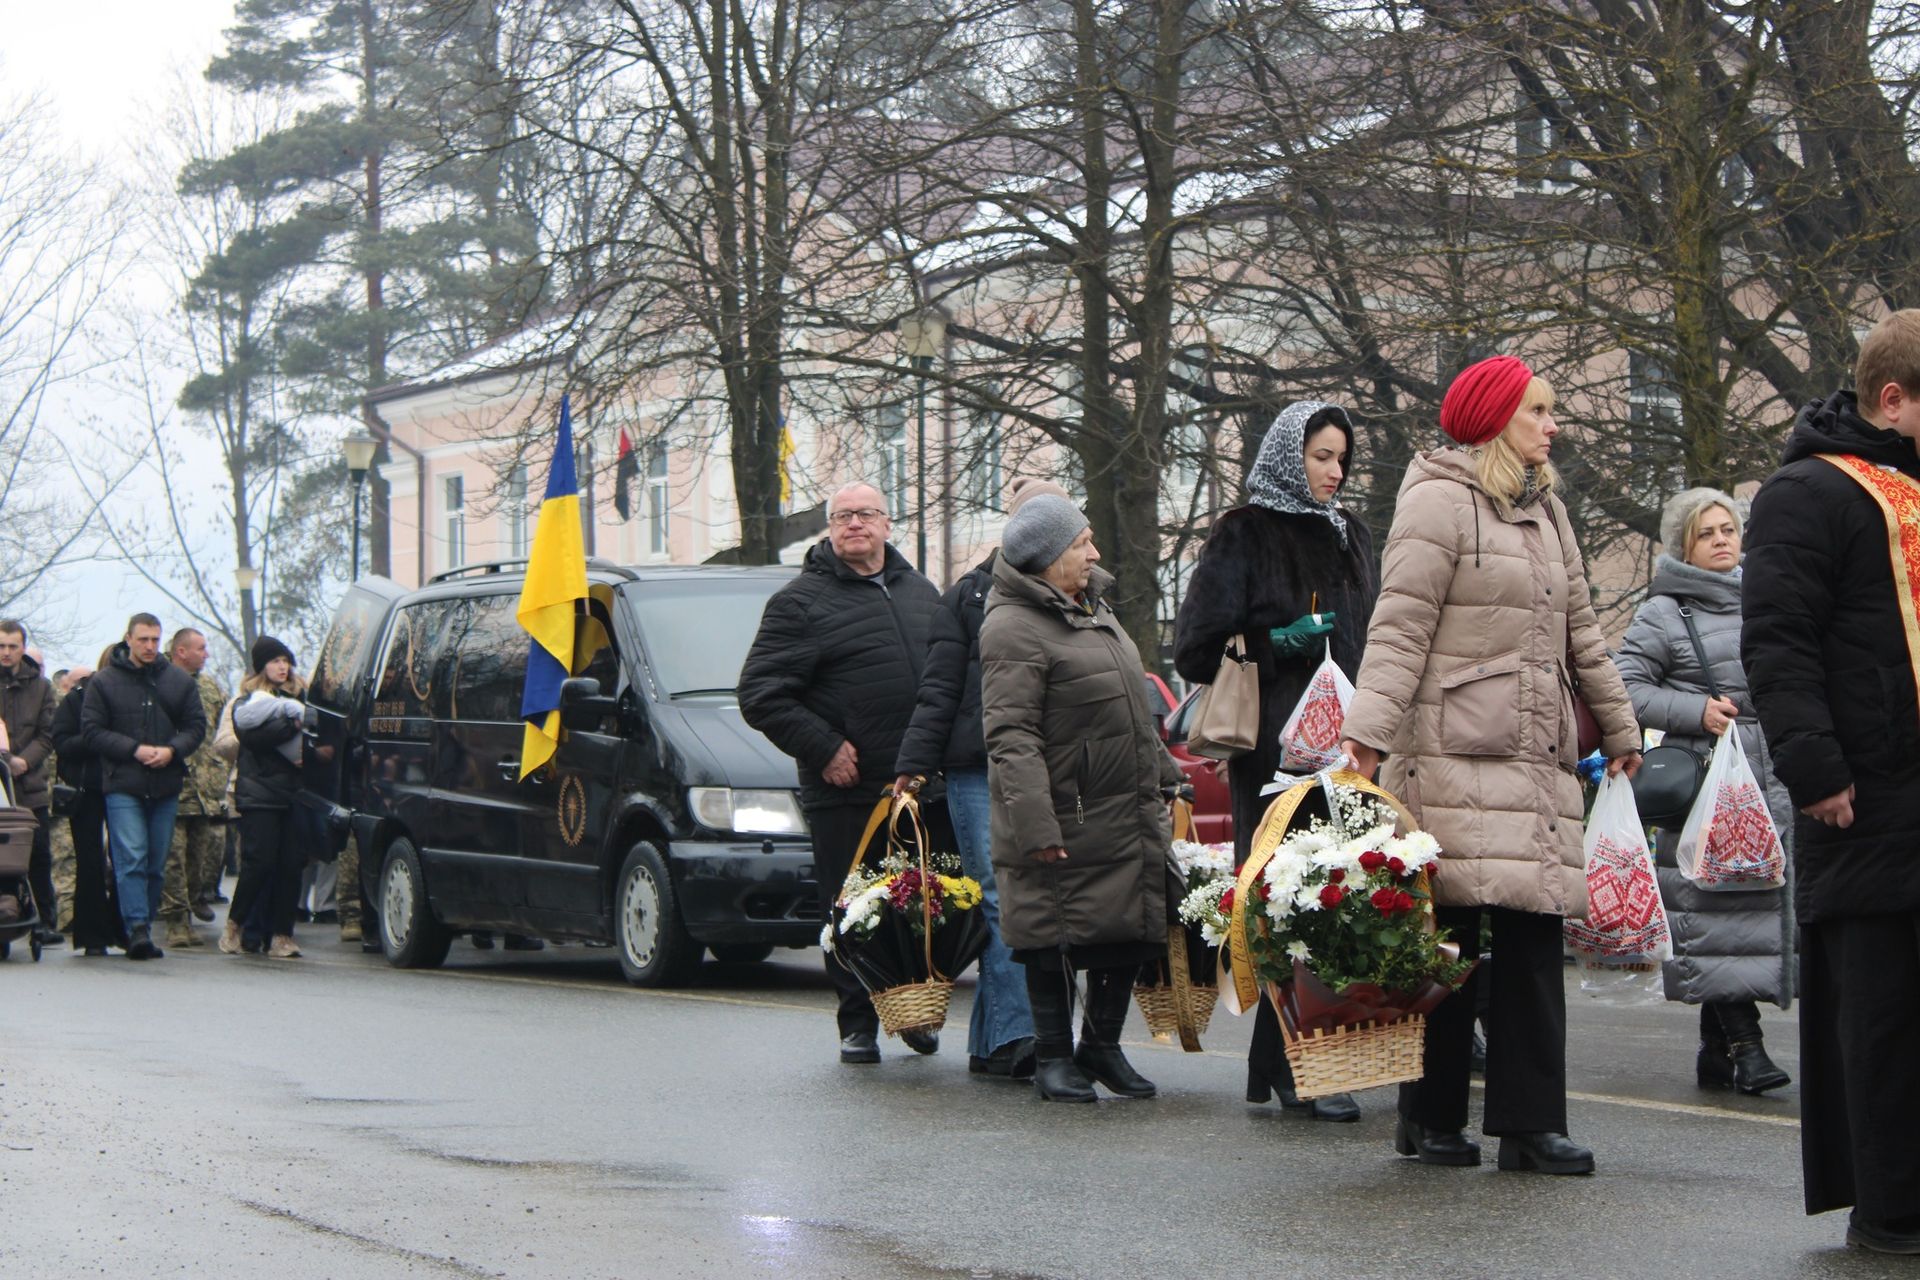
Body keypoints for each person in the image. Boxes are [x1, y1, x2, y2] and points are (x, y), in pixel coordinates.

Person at [1338, 355, 1641, 1174]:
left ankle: (1531, 1125)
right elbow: (1399, 628)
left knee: (1535, 938)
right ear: (1496, 418)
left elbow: (1583, 626)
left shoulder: (1549, 510)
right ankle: (1430, 1119)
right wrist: (1366, 736)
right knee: (1451, 944)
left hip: (1536, 758)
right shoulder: (1437, 501)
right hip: (1451, 754)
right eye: (1540, 410)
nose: (1554, 425)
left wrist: (1620, 728)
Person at [1742, 308, 1920, 1254]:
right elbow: (1778, 640)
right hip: (1862, 788)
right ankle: (1889, 1210)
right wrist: (1813, 768)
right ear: (1892, 400)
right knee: (1880, 1016)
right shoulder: (1805, 493)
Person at [1174, 401, 1380, 1123]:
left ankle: (1303, 1055)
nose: (1335, 472)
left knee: (1344, 896)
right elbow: (1194, 646)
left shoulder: (1351, 533)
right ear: (1291, 457)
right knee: (1288, 899)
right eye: (1322, 457)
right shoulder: (1246, 532)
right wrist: (1277, 642)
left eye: (1343, 459)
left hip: (1347, 746)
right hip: (1272, 752)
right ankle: (1302, 1063)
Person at [980, 495, 1184, 1103]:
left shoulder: (1096, 609)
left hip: (1121, 806)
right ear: (1046, 558)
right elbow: (1011, 735)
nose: (1094, 554)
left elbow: (1130, 710)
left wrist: (1167, 771)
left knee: (1129, 929)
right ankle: (1052, 1057)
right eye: (1081, 544)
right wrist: (1035, 826)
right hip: (1065, 813)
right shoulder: (1011, 625)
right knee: (1051, 935)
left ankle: (1101, 1046)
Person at [740, 482, 944, 1065]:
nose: (855, 524)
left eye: (866, 514)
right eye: (842, 516)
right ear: (830, 528)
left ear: (887, 523)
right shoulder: (799, 602)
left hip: (918, 785)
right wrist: (823, 746)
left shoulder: (921, 592)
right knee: (852, 907)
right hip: (847, 790)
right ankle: (857, 1022)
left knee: (917, 906)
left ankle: (911, 1010)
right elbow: (760, 694)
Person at [1614, 488, 1793, 1095]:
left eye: (1728, 529)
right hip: (1707, 783)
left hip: (1772, 779)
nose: (1722, 540)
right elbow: (1625, 689)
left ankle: (1718, 1049)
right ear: (1682, 545)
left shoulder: (1767, 595)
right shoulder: (1663, 612)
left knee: (1752, 914)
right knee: (1716, 910)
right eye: (1706, 532)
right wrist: (1695, 710)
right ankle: (1745, 1047)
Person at [892, 479, 1071, 1081]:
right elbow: (939, 686)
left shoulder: (1077, 594)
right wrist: (913, 766)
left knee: (1031, 902)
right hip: (976, 768)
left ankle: (993, 1044)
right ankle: (1022, 1036)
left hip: (1046, 765)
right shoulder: (968, 595)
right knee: (1001, 901)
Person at [81, 612, 208, 961]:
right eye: (143, 640)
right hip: (123, 783)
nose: (150, 646)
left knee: (155, 862)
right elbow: (91, 730)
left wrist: (172, 750)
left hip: (166, 784)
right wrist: (133, 749)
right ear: (128, 639)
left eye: (155, 640)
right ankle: (136, 927)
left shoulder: (178, 682)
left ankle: (142, 923)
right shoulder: (104, 682)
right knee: (131, 857)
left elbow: (196, 726)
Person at [219, 637, 310, 961]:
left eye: (286, 660)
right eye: (275, 661)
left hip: (295, 792)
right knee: (259, 862)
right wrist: (290, 725)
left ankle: (283, 935)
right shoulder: (247, 702)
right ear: (261, 666)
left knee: (290, 865)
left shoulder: (302, 698)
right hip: (258, 792)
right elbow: (251, 738)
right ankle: (235, 923)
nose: (282, 667)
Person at [158, 627, 231, 950]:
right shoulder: (159, 682)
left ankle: (191, 908)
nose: (206, 654)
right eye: (200, 648)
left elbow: (221, 731)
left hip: (206, 789)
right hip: (174, 783)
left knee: (199, 860)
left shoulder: (210, 686)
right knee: (172, 858)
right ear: (181, 651)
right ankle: (175, 920)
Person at [50, 656, 123, 955]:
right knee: (90, 862)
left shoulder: (128, 700)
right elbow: (62, 743)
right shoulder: (75, 701)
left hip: (123, 785)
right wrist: (96, 739)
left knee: (125, 861)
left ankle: (124, 929)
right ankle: (91, 935)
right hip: (86, 789)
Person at [0, 620, 60, 948]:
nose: (6, 653)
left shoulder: (41, 687)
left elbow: (48, 732)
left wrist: (25, 760)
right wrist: (6, 761)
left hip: (30, 788)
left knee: (38, 856)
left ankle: (44, 922)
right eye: (1, 646)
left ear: (23, 648)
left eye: (12, 646)